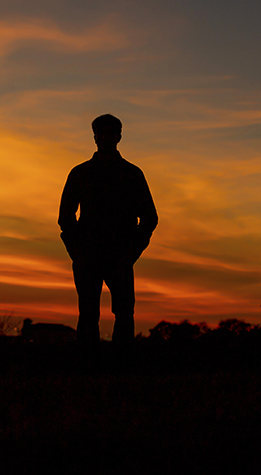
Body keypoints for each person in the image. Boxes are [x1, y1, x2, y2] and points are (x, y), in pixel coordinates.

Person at [59, 114, 158, 347]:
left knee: (124, 313)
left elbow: (149, 218)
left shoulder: (132, 174)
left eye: (110, 133)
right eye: (100, 133)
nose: (105, 137)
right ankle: (88, 370)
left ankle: (121, 371)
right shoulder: (80, 173)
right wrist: (77, 250)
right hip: (88, 255)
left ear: (119, 136)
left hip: (120, 256)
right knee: (88, 313)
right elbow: (65, 217)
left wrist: (131, 252)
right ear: (94, 137)